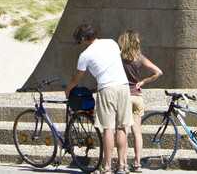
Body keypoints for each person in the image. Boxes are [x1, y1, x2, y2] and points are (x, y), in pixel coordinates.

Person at [65, 24, 131, 174]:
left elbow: (77, 78)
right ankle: (122, 166)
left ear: (83, 38)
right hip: (124, 86)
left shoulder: (85, 55)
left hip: (107, 88)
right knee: (122, 127)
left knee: (108, 129)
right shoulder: (112, 43)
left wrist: (68, 89)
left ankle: (107, 167)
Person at [117, 30, 163, 173]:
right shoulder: (139, 57)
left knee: (123, 131)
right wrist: (143, 81)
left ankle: (122, 164)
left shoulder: (118, 57)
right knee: (137, 132)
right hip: (137, 96)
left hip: (124, 96)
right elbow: (158, 72)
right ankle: (137, 164)